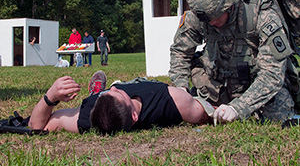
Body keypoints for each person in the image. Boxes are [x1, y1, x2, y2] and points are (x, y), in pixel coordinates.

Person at [169, 0, 297, 124]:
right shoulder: (199, 14)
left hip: (255, 89)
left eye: (216, 16)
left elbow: (272, 72)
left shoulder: (260, 10)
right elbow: (180, 53)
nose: (211, 22)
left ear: (230, 4)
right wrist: (181, 88)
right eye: (207, 19)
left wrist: (239, 107)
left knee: (279, 116)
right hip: (216, 88)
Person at [28, 71, 214, 134]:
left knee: (106, 93)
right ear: (134, 116)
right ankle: (99, 93)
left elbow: (36, 127)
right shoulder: (171, 100)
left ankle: (97, 93)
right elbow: (205, 112)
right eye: (117, 93)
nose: (115, 88)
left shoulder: (87, 118)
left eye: (111, 92)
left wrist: (50, 96)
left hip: (101, 103)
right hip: (145, 85)